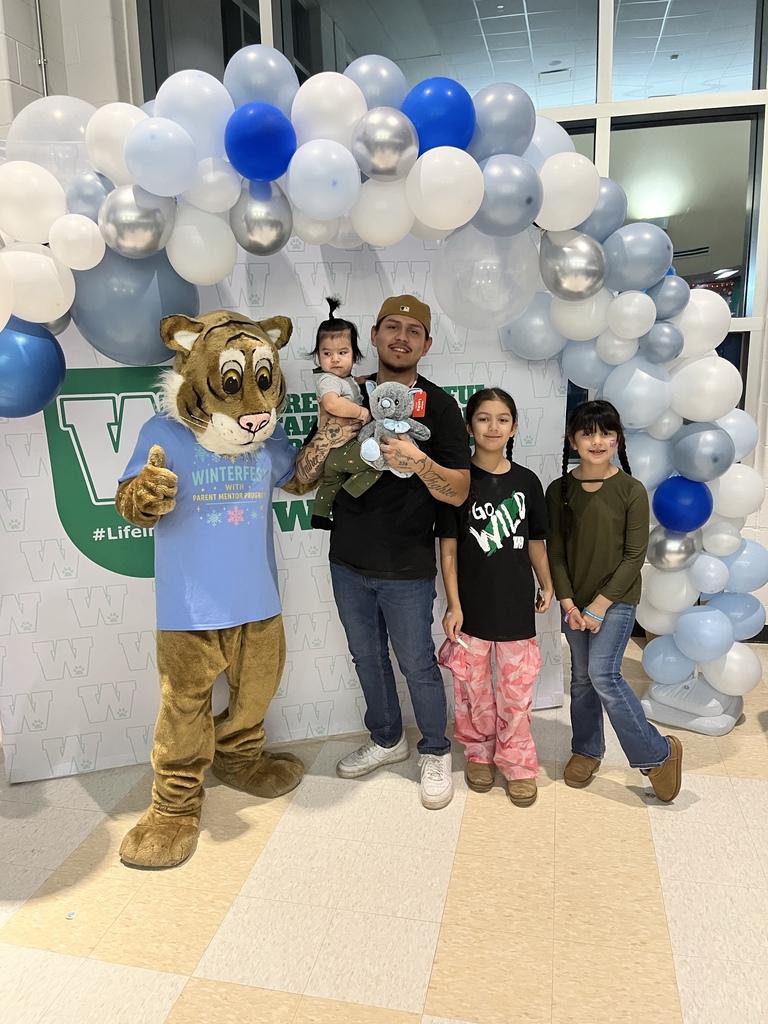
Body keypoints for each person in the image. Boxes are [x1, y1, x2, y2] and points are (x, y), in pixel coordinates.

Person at [299, 294, 471, 809]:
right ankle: (387, 739)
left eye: (413, 331)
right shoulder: (348, 393)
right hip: (347, 561)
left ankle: (435, 750)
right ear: (371, 337)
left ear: (427, 344)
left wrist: (418, 461)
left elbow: (459, 490)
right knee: (366, 657)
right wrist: (327, 437)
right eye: (391, 328)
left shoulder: (439, 405)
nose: (401, 337)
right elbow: (303, 479)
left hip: (408, 567)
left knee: (418, 663)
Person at [545, 399, 683, 801]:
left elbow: (633, 555)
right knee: (583, 678)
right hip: (575, 605)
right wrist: (570, 604)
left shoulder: (630, 490)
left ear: (618, 438)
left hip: (616, 601)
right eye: (587, 432)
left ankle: (657, 754)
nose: (597, 440)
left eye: (606, 432)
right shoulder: (560, 490)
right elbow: (555, 551)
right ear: (572, 439)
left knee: (605, 675)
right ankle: (587, 749)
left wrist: (598, 606)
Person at [438, 388, 554, 807]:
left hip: (515, 610)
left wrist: (547, 582)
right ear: (470, 426)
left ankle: (519, 763)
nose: (493, 426)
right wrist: (453, 604)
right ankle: (477, 753)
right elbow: (448, 549)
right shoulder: (456, 481)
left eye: (502, 419)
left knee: (516, 692)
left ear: (514, 426)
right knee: (472, 691)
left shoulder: (526, 481)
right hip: (470, 610)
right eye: (483, 418)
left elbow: (536, 540)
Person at [311, 296, 370, 427]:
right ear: (318, 356)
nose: (335, 359)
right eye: (327, 353)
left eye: (342, 353)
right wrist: (360, 412)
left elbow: (342, 385)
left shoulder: (340, 379)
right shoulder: (328, 380)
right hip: (339, 441)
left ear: (354, 356)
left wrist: (355, 380)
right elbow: (332, 403)